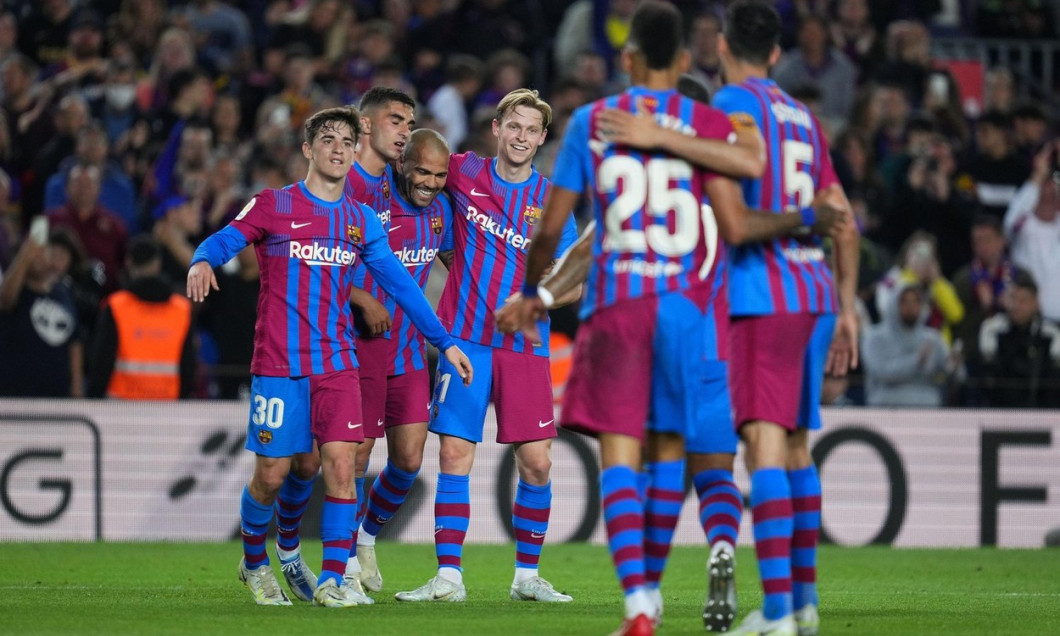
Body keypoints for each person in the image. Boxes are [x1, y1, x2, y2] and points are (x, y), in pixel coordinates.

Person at [505, 3, 848, 634]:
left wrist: (534, 293)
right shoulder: (710, 124)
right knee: (685, 456)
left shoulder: (593, 121)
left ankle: (640, 601)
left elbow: (555, 232)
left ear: (627, 57)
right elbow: (743, 204)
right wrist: (805, 220)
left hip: (618, 307)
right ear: (687, 60)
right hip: (698, 313)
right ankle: (770, 594)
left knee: (621, 457)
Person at [186, 106, 472, 608]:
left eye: (346, 141)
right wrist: (202, 260)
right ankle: (255, 562)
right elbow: (224, 238)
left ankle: (333, 580)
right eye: (328, 140)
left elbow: (402, 286)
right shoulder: (273, 205)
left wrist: (443, 340)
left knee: (341, 468)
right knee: (271, 475)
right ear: (308, 149)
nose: (339, 149)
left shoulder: (360, 221)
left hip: (338, 365)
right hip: (278, 366)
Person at [394, 88, 580, 605]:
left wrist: (536, 298)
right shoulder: (463, 172)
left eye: (532, 130)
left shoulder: (551, 201)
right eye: (513, 126)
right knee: (454, 453)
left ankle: (527, 577)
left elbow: (576, 283)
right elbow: (413, 164)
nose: (521, 137)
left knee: (537, 462)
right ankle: (448, 576)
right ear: (496, 128)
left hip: (523, 347)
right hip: (464, 341)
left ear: (542, 139)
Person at [709, 3, 859, 634]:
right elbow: (842, 215)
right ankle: (803, 606)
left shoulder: (724, 112)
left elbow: (734, 224)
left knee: (764, 443)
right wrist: (848, 308)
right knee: (798, 447)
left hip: (759, 294)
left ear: (721, 46)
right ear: (775, 53)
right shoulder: (804, 117)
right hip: (816, 293)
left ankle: (775, 615)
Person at [353, 128, 455, 593]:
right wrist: (358, 296)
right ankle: (341, 561)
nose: (430, 183)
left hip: (410, 352)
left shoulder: (441, 213)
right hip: (359, 348)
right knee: (355, 457)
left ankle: (364, 538)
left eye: (439, 175)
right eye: (422, 172)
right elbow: (332, 264)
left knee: (408, 462)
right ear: (401, 164)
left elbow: (459, 263)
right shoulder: (371, 201)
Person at [87, 235, 196, 399]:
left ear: (129, 262)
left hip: (121, 408)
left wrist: (93, 396)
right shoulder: (181, 309)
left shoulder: (115, 306)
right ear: (158, 264)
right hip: (168, 407)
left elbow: (102, 362)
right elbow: (188, 366)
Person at [0, 227, 83, 397]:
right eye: (34, 254)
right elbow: (4, 302)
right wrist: (24, 257)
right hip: (16, 393)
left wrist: (77, 386)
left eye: (43, 252)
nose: (38, 257)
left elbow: (74, 341)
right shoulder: (17, 291)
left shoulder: (63, 291)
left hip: (56, 392)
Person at [977, 271, 1060, 408]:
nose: (1016, 306)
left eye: (1023, 301)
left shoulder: (1052, 333)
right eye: (1012, 299)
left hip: (1042, 411)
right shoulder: (991, 329)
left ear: (1035, 303)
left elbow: (1055, 380)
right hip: (1000, 411)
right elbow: (988, 377)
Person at [861, 282, 950, 407]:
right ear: (893, 304)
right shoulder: (874, 337)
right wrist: (916, 361)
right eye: (904, 302)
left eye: (915, 302)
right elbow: (882, 372)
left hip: (928, 410)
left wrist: (954, 367)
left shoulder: (933, 338)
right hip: (886, 408)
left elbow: (951, 374)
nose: (910, 307)